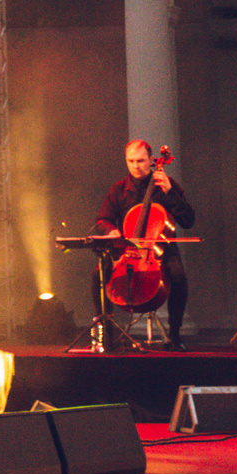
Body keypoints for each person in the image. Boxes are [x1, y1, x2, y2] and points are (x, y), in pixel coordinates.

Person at [92, 138, 196, 348]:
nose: (135, 166)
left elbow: (188, 220)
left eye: (140, 161)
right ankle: (106, 333)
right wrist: (111, 230)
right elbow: (102, 220)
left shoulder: (167, 185)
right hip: (128, 249)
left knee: (178, 276)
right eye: (131, 161)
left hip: (161, 249)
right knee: (99, 274)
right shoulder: (119, 189)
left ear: (151, 160)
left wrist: (169, 193)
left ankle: (174, 335)